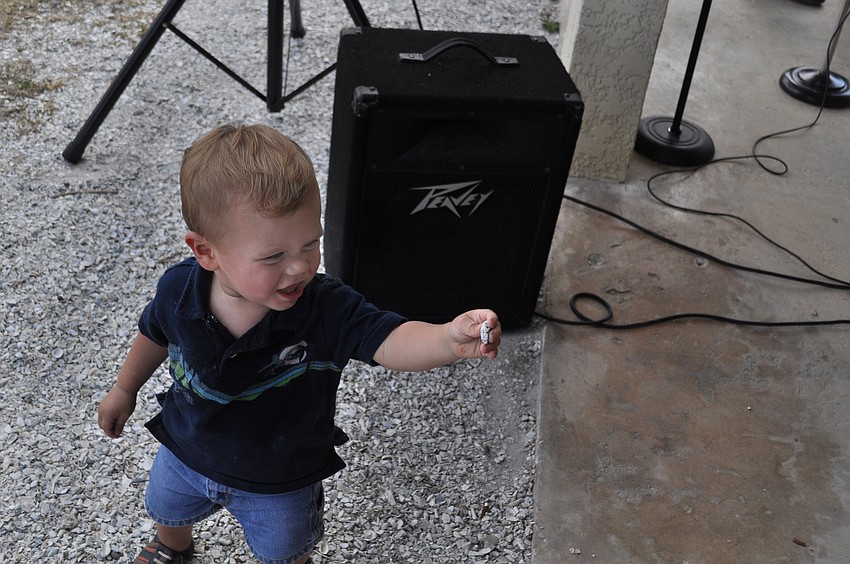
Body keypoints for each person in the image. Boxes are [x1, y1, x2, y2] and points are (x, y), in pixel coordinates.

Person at [97, 123, 501, 564]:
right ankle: (172, 549)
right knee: (169, 509)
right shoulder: (178, 290)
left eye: (311, 244)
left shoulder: (326, 307)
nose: (299, 268)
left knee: (285, 549)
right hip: (186, 451)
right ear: (205, 252)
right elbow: (154, 334)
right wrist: (125, 388)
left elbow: (388, 339)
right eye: (273, 257)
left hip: (281, 477)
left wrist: (445, 338)